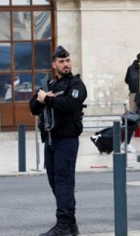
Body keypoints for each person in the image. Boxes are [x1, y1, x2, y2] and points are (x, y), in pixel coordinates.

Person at [29, 46, 87, 236]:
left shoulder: (76, 84)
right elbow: (33, 106)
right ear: (54, 64)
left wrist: (48, 100)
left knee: (64, 182)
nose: (66, 64)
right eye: (61, 62)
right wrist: (42, 99)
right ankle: (70, 224)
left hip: (67, 139)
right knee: (55, 182)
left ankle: (63, 224)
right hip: (51, 139)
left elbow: (70, 103)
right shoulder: (49, 85)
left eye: (68, 61)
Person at [124, 52, 140, 138]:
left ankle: (132, 133)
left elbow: (126, 80)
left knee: (132, 114)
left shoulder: (130, 68)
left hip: (133, 93)